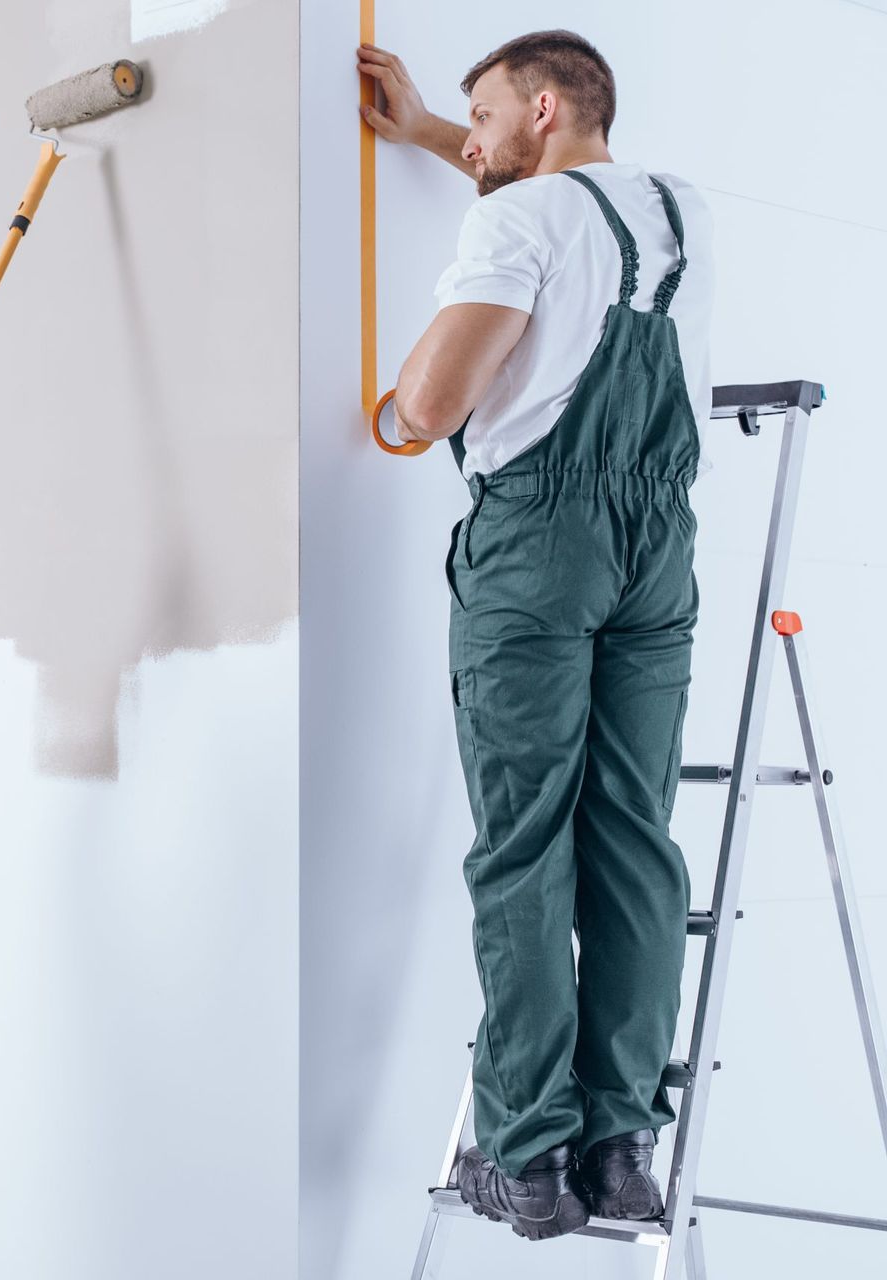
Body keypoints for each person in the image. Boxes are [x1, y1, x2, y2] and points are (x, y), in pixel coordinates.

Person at [358, 31, 715, 1239]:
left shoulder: (511, 228)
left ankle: (525, 1156)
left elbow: (431, 404)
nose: (472, 135)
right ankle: (621, 1144)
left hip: (539, 548)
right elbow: (568, 224)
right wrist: (422, 133)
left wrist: (403, 398)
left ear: (545, 107)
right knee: (633, 836)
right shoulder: (681, 211)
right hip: (660, 546)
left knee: (524, 848)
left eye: (483, 113)